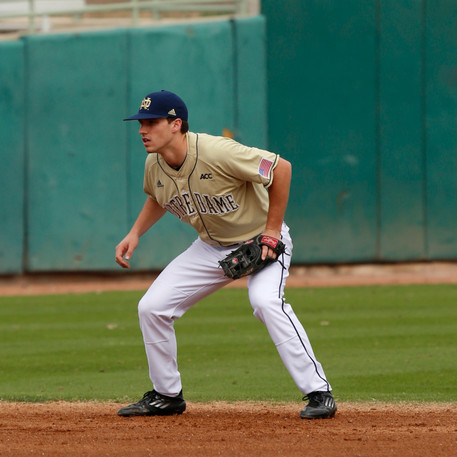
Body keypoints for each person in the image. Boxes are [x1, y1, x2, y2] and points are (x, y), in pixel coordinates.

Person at [115, 89, 336, 421]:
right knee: (152, 308)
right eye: (140, 123)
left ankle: (319, 392)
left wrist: (273, 232)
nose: (142, 130)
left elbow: (282, 169)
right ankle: (166, 395)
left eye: (151, 122)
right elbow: (158, 197)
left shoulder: (218, 151)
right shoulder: (154, 164)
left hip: (261, 241)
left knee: (266, 302)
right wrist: (134, 233)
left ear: (175, 124)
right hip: (210, 248)